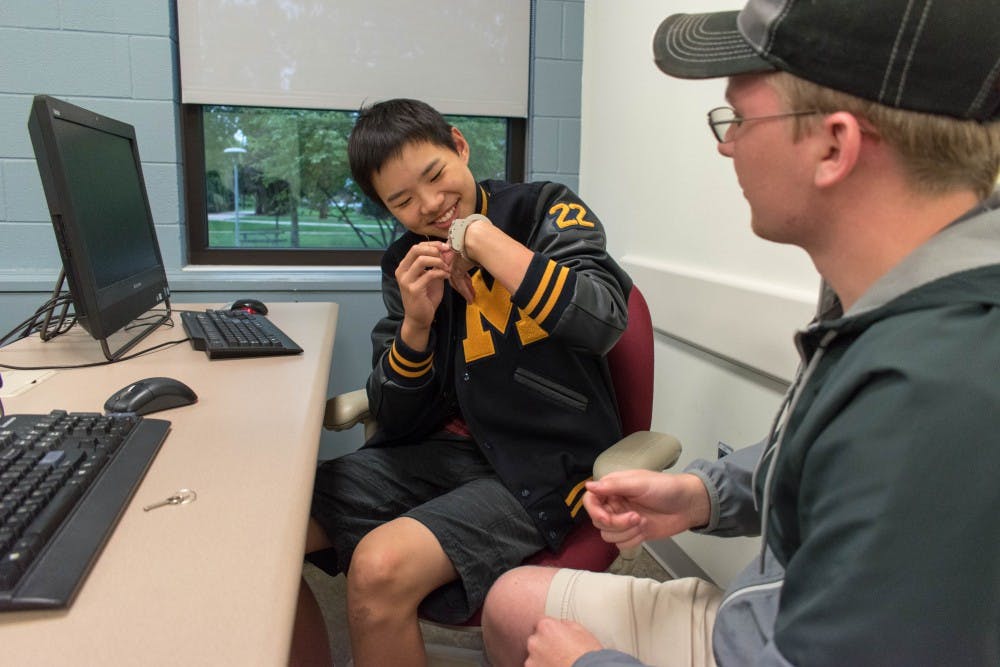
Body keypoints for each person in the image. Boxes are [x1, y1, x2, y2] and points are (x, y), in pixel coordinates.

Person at [481, 2, 1000, 666]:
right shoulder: (882, 292)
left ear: (834, 146)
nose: (726, 145)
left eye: (740, 119)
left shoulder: (940, 391)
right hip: (769, 611)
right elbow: (831, 469)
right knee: (511, 604)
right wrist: (704, 494)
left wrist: (588, 665)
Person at [291, 98, 633, 666]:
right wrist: (416, 325)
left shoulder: (546, 208)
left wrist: (481, 239)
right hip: (445, 455)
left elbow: (601, 320)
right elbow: (395, 417)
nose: (430, 205)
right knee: (275, 525)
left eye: (435, 175)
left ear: (459, 145)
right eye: (402, 201)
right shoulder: (405, 262)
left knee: (380, 567)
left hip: (543, 464)